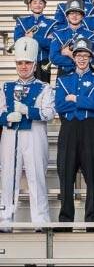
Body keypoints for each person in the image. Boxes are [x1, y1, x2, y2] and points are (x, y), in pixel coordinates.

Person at [0, 37, 55, 230]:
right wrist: (7, 116)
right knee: (8, 178)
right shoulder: (5, 87)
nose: (24, 66)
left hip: (34, 136)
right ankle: (5, 219)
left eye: (28, 63)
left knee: (36, 177)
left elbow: (49, 113)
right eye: (20, 63)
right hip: (10, 136)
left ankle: (40, 221)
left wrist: (28, 111)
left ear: (34, 64)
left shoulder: (44, 87)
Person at [55, 38, 94, 228]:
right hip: (69, 128)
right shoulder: (63, 79)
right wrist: (85, 101)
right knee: (66, 174)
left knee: (92, 176)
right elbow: (60, 105)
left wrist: (75, 98)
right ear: (74, 57)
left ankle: (91, 221)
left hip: (90, 128)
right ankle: (65, 220)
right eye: (79, 55)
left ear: (91, 58)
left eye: (86, 55)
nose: (82, 59)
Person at [14, 0, 55, 83]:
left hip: (43, 61)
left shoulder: (52, 23)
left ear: (44, 5)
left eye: (41, 2)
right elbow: (18, 41)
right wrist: (43, 40)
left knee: (43, 89)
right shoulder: (21, 21)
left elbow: (51, 44)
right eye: (35, 2)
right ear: (30, 5)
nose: (37, 5)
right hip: (26, 60)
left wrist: (33, 37)